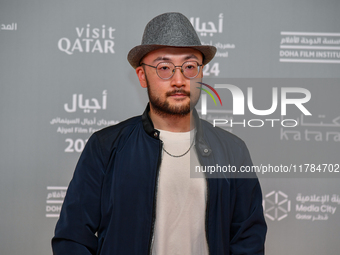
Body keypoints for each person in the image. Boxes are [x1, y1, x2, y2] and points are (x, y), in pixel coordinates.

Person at [52, 12, 267, 255]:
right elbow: (73, 237)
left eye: (189, 67)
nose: (179, 80)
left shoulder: (232, 151)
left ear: (201, 73)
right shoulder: (105, 146)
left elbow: (248, 240)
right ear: (142, 76)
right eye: (164, 68)